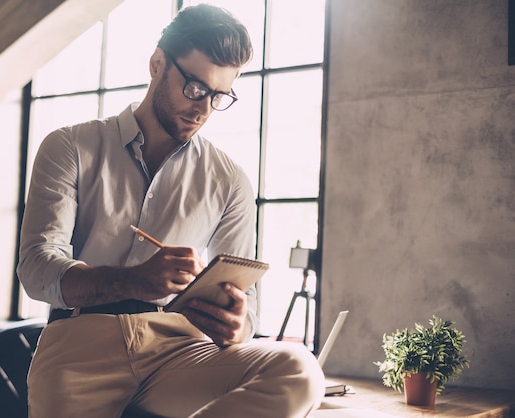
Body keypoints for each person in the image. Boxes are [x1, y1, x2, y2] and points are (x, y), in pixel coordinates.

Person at [17, 4, 325, 417]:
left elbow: (245, 305)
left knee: (300, 369)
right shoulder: (70, 147)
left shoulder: (231, 180)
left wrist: (238, 324)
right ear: (157, 64)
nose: (203, 109)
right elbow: (37, 269)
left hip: (180, 352)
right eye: (196, 89)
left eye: (219, 97)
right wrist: (133, 281)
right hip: (79, 348)